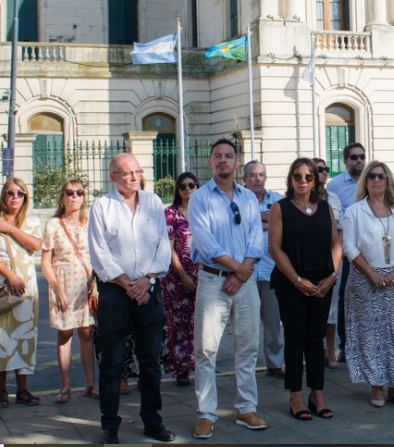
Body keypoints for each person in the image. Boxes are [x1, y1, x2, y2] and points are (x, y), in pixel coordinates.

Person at [88, 153, 174, 444]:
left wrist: (147, 281)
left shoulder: (153, 202)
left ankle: (153, 420)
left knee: (150, 361)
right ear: (113, 177)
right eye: (127, 173)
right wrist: (128, 284)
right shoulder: (102, 207)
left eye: (137, 171)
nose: (134, 177)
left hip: (149, 289)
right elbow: (100, 253)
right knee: (112, 361)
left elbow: (163, 246)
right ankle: (109, 425)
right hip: (115, 291)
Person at [188, 139, 268, 437]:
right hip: (213, 280)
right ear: (210, 163)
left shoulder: (248, 197)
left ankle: (246, 408)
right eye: (217, 156)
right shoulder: (199, 198)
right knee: (206, 350)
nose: (223, 160)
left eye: (229, 156)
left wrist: (242, 272)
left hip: (244, 282)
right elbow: (206, 243)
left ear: (237, 162)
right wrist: (238, 269)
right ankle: (206, 413)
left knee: (247, 348)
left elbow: (255, 238)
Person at [269, 157, 342, 420]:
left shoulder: (325, 208)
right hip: (292, 283)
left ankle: (317, 393)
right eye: (297, 176)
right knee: (295, 338)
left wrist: (332, 277)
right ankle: (295, 395)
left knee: (316, 338)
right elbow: (274, 249)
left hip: (322, 281)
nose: (303, 181)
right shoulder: (280, 208)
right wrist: (298, 281)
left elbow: (336, 244)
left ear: (316, 180)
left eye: (308, 177)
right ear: (290, 180)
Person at [343, 161, 394, 407]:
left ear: (388, 180)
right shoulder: (354, 211)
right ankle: (375, 386)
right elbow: (349, 247)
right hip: (365, 279)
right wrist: (371, 273)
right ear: (365, 180)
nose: (376, 180)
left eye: (381, 176)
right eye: (371, 176)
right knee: (370, 335)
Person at [0, 178, 44, 407]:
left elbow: (35, 245)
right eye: (10, 193)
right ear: (3, 196)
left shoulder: (31, 221)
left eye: (20, 193)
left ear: (25, 197)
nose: (14, 197)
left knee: (24, 335)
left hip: (26, 285)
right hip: (1, 284)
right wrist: (11, 276)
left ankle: (23, 389)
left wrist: (11, 228)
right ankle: (1, 391)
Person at [40, 180, 99, 404]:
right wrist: (56, 288)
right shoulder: (54, 225)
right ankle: (65, 386)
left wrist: (96, 283)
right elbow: (46, 261)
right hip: (63, 283)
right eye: (69, 192)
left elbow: (97, 255)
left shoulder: (90, 222)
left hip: (87, 284)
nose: (74, 196)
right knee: (64, 334)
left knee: (86, 333)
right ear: (62, 197)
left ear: (84, 197)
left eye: (79, 192)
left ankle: (90, 384)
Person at [243, 161, 287, 378]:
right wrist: (265, 220)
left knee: (273, 321)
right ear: (244, 179)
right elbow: (239, 225)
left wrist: (254, 221)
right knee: (246, 326)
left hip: (271, 271)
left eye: (261, 175)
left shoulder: (278, 200)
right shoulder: (238, 200)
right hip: (245, 273)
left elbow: (284, 223)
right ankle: (246, 366)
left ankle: (274, 364)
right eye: (252, 175)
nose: (257, 179)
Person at [326, 142, 366, 362]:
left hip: (370, 249)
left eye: (361, 157)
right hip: (347, 249)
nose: (359, 161)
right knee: (344, 298)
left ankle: (364, 344)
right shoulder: (335, 186)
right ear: (345, 161)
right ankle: (345, 345)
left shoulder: (373, 179)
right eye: (354, 157)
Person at [162, 172, 200, 386]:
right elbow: (170, 249)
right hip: (177, 279)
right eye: (183, 186)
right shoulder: (170, 213)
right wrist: (183, 275)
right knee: (177, 324)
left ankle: (196, 364)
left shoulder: (203, 211)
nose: (187, 189)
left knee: (198, 324)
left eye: (191, 185)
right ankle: (180, 368)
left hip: (202, 275)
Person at [313, 157, 343, 368]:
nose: (323, 172)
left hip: (331, 258)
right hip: (308, 260)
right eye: (319, 169)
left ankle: (330, 350)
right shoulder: (300, 198)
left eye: (326, 169)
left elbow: (340, 231)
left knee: (331, 308)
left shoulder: (334, 199)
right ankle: (313, 349)